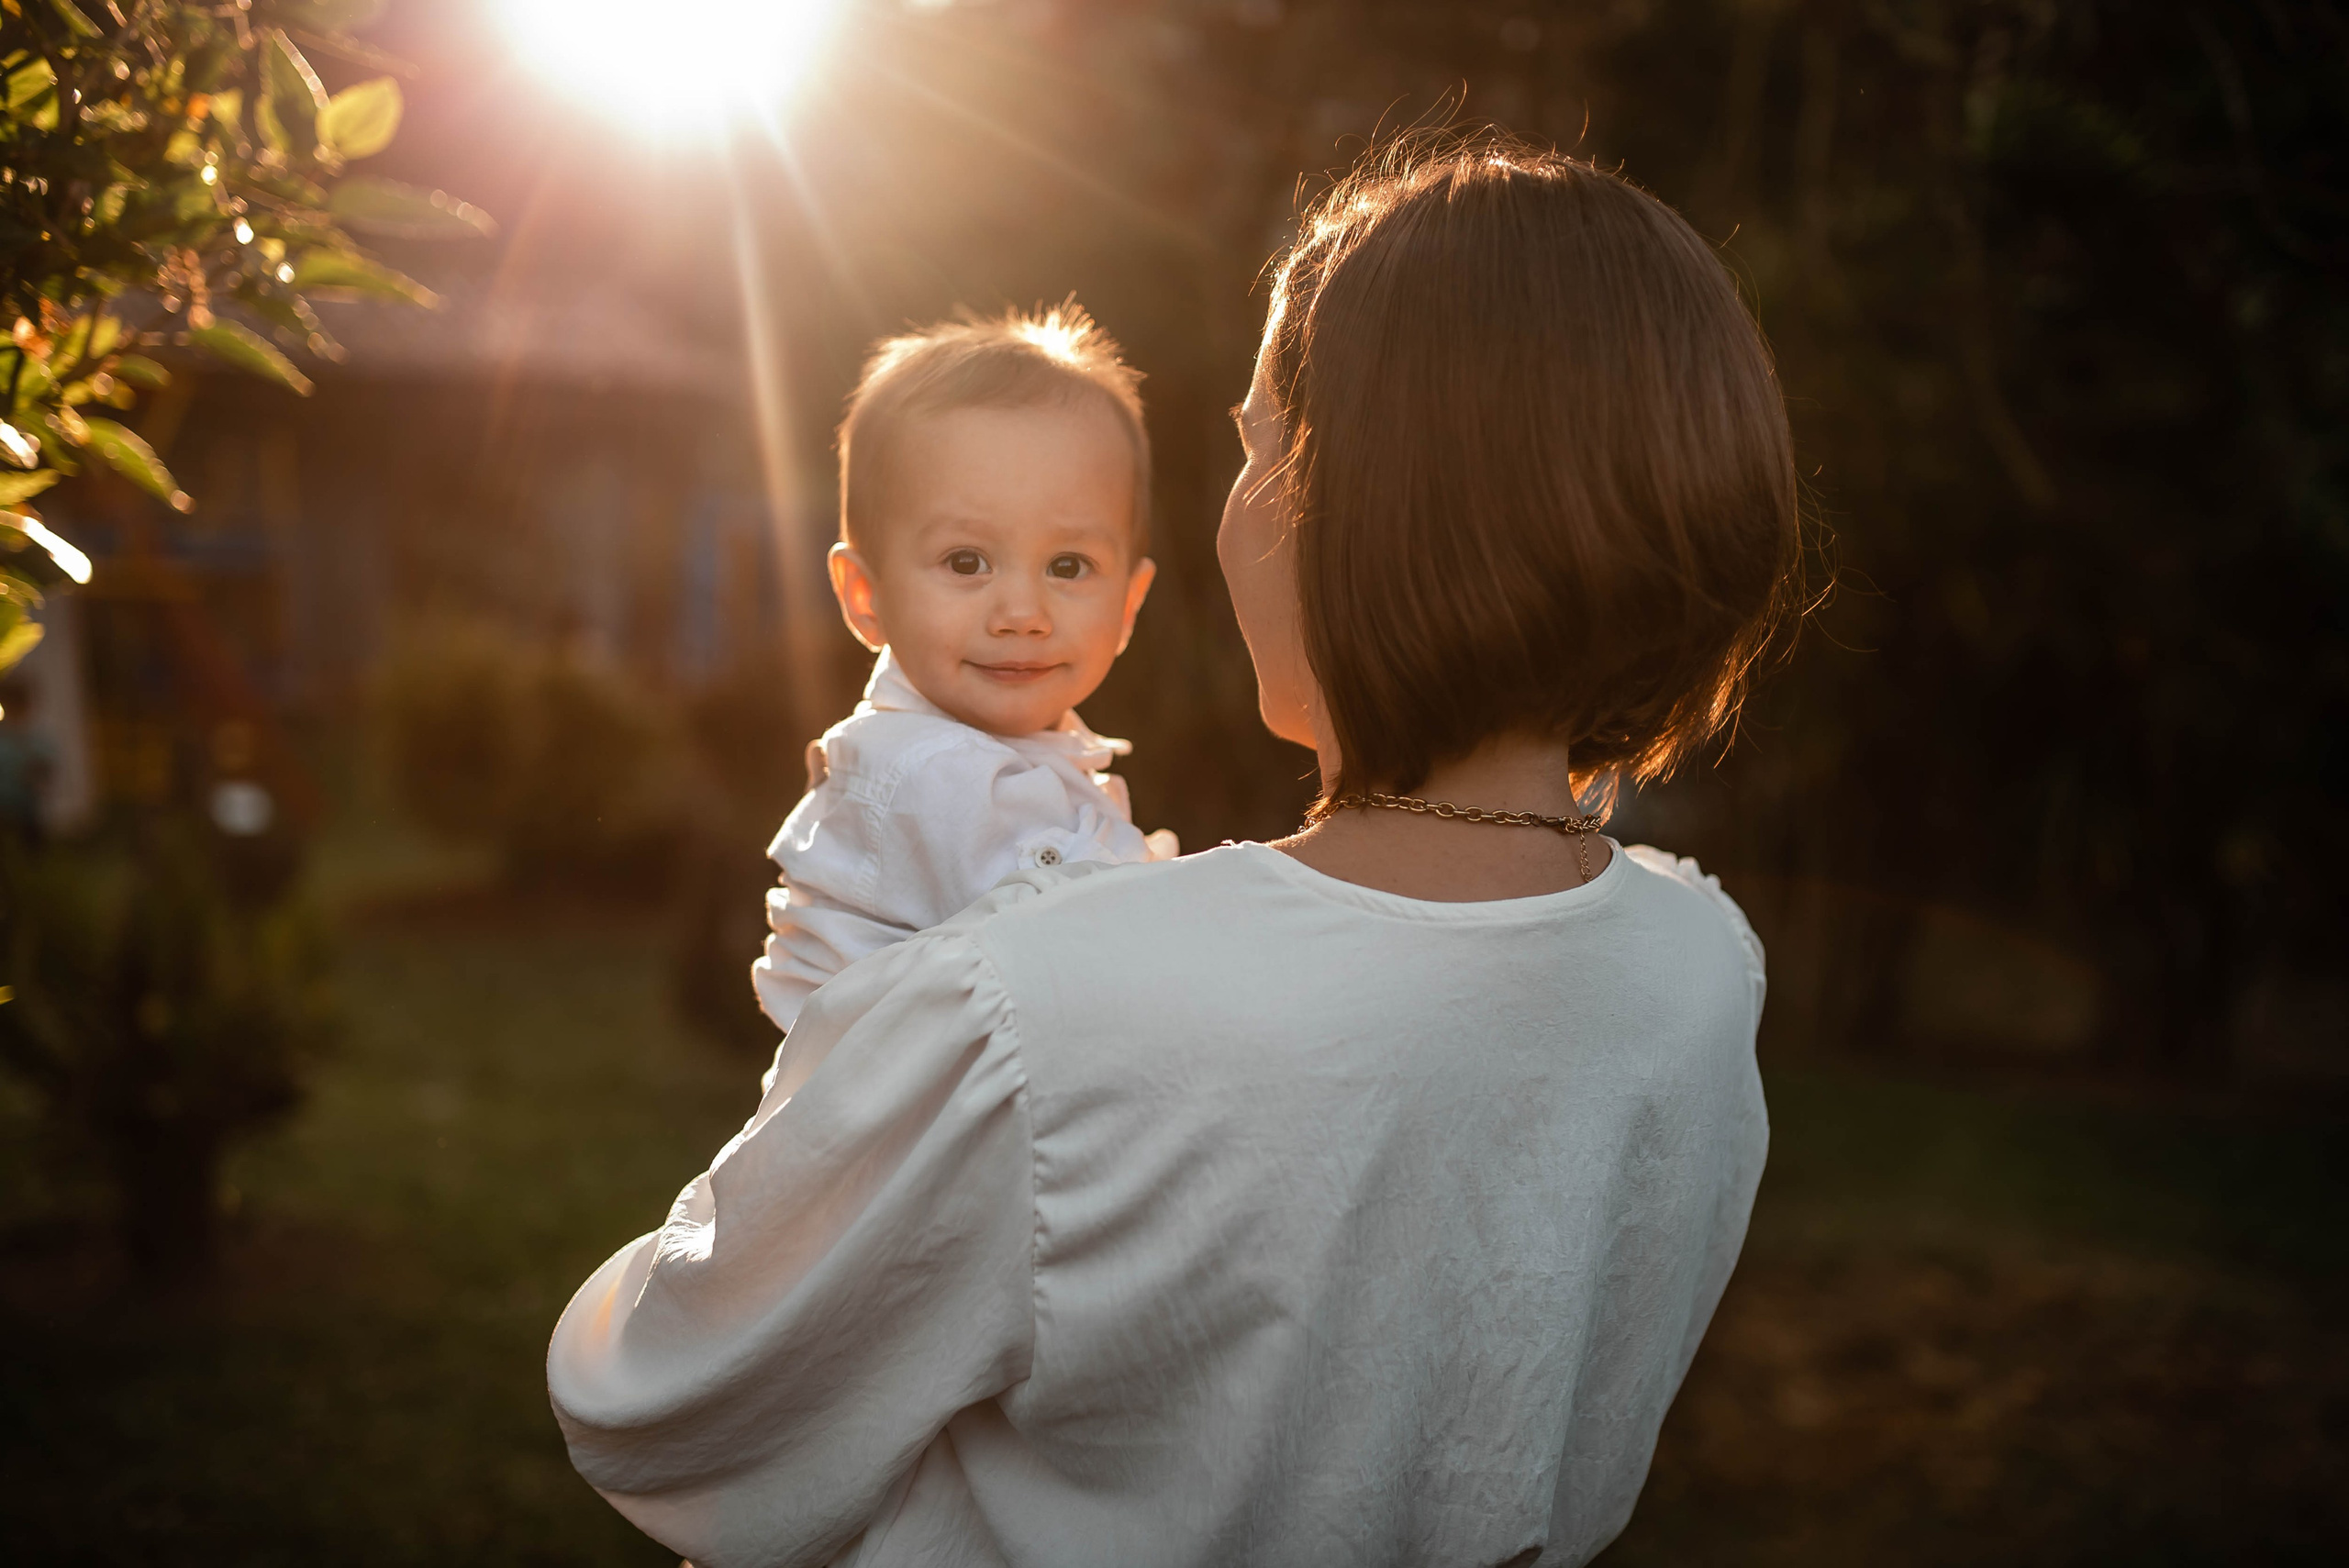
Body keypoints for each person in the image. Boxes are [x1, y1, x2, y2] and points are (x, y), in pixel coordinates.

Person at [550, 135, 1800, 1568]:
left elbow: (671, 1410)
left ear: (1379, 504)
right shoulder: (1704, 971)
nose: (1232, 504)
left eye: (1263, 445)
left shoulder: (1038, 1011)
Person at [752, 305, 1178, 1038]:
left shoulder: (1005, 758)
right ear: (866, 596)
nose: (1022, 611)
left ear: (1130, 604)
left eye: (1068, 566)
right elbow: (1112, 947)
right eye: (966, 561)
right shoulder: (929, 773)